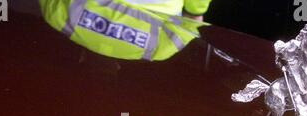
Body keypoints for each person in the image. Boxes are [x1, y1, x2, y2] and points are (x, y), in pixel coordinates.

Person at [39, 0, 212, 61]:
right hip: (153, 42)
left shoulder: (56, 14)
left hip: (70, 16)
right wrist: (195, 16)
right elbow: (194, 14)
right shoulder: (163, 49)